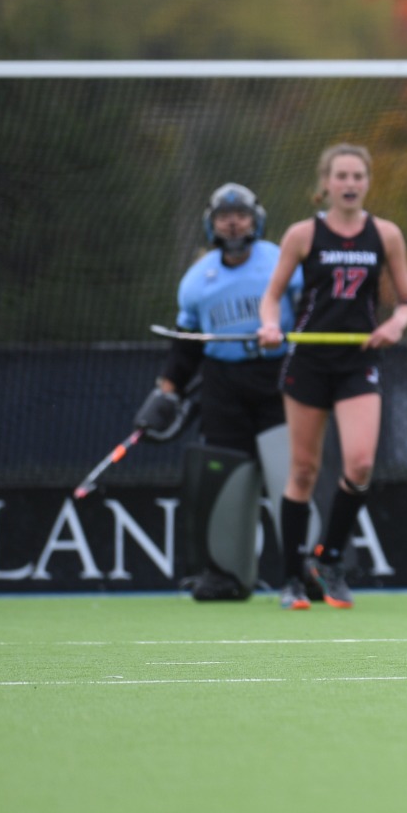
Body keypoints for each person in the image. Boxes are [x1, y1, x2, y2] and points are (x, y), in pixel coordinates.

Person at [257, 144, 407, 610]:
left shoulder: (385, 234)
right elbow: (271, 299)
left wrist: (395, 324)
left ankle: (328, 559)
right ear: (325, 183)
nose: (349, 184)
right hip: (308, 360)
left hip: (357, 361)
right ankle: (290, 577)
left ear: (367, 182)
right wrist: (269, 326)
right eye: (341, 176)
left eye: (357, 176)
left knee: (361, 465)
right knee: (304, 470)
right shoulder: (302, 235)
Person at [133, 183, 300, 598]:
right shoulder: (197, 280)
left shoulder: (280, 261)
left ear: (255, 219)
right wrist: (167, 390)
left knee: (291, 473)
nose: (232, 222)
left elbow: (310, 308)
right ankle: (227, 574)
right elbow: (187, 343)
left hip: (279, 377)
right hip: (223, 383)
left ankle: (309, 570)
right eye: (224, 216)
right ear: (211, 224)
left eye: (240, 214)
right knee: (227, 477)